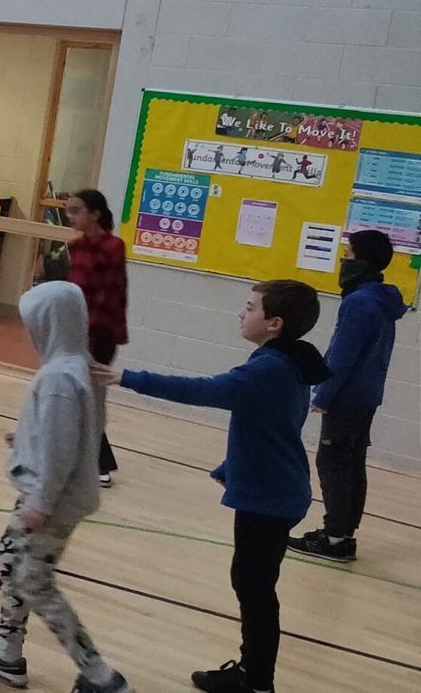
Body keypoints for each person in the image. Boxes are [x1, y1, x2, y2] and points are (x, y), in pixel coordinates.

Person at [98, 281, 327, 693]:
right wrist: (233, 465)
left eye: (250, 307)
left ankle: (257, 682)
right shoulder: (287, 360)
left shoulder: (269, 368)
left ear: (274, 323)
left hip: (270, 497)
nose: (242, 312)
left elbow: (205, 391)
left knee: (254, 589)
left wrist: (127, 377)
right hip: (277, 488)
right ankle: (252, 673)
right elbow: (274, 424)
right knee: (253, 585)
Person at [0, 282, 130, 693]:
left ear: (49, 323)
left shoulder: (59, 377)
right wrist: (26, 439)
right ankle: (6, 654)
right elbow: (75, 432)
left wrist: (41, 502)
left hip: (52, 500)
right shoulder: (80, 365)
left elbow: (62, 449)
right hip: (57, 494)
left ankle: (100, 676)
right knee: (9, 559)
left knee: (34, 581)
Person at [290, 229, 404, 563]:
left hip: (348, 396)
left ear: (362, 260)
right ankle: (343, 533)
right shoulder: (381, 300)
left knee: (333, 462)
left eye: (349, 254)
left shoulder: (359, 302)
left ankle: (335, 537)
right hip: (367, 394)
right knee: (352, 462)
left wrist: (323, 394)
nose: (344, 260)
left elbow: (343, 354)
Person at [65, 189, 127, 487]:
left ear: (95, 214)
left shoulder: (113, 247)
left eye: (76, 210)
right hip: (76, 331)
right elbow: (71, 293)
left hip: (100, 335)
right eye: (69, 210)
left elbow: (109, 296)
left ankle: (98, 463)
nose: (70, 216)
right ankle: (91, 458)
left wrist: (89, 334)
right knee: (74, 395)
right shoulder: (74, 247)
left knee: (93, 398)